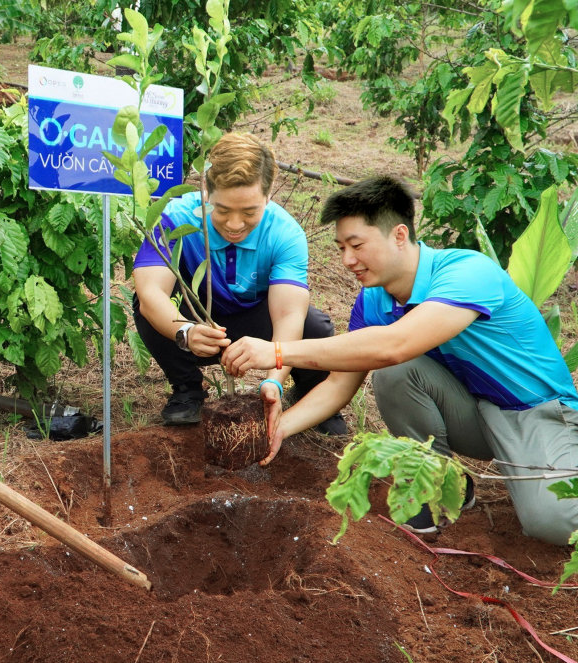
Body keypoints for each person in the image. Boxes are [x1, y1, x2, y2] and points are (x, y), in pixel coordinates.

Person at [222, 175, 578, 542]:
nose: (347, 260)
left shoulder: (467, 272)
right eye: (341, 247)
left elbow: (397, 344)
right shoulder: (374, 301)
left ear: (399, 235)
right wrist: (276, 429)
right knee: (395, 373)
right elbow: (339, 385)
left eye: (356, 245)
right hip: (475, 416)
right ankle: (441, 485)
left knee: (552, 524)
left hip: (539, 413)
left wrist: (278, 351)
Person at [132, 132, 346, 435]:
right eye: (222, 210)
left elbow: (288, 316)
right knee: (145, 307)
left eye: (249, 212)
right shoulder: (174, 217)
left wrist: (274, 380)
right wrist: (185, 331)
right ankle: (187, 389)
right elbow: (151, 291)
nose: (234, 224)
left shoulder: (285, 234)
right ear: (206, 191)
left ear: (269, 195)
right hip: (197, 318)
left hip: (257, 322)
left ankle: (315, 399)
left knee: (314, 327)